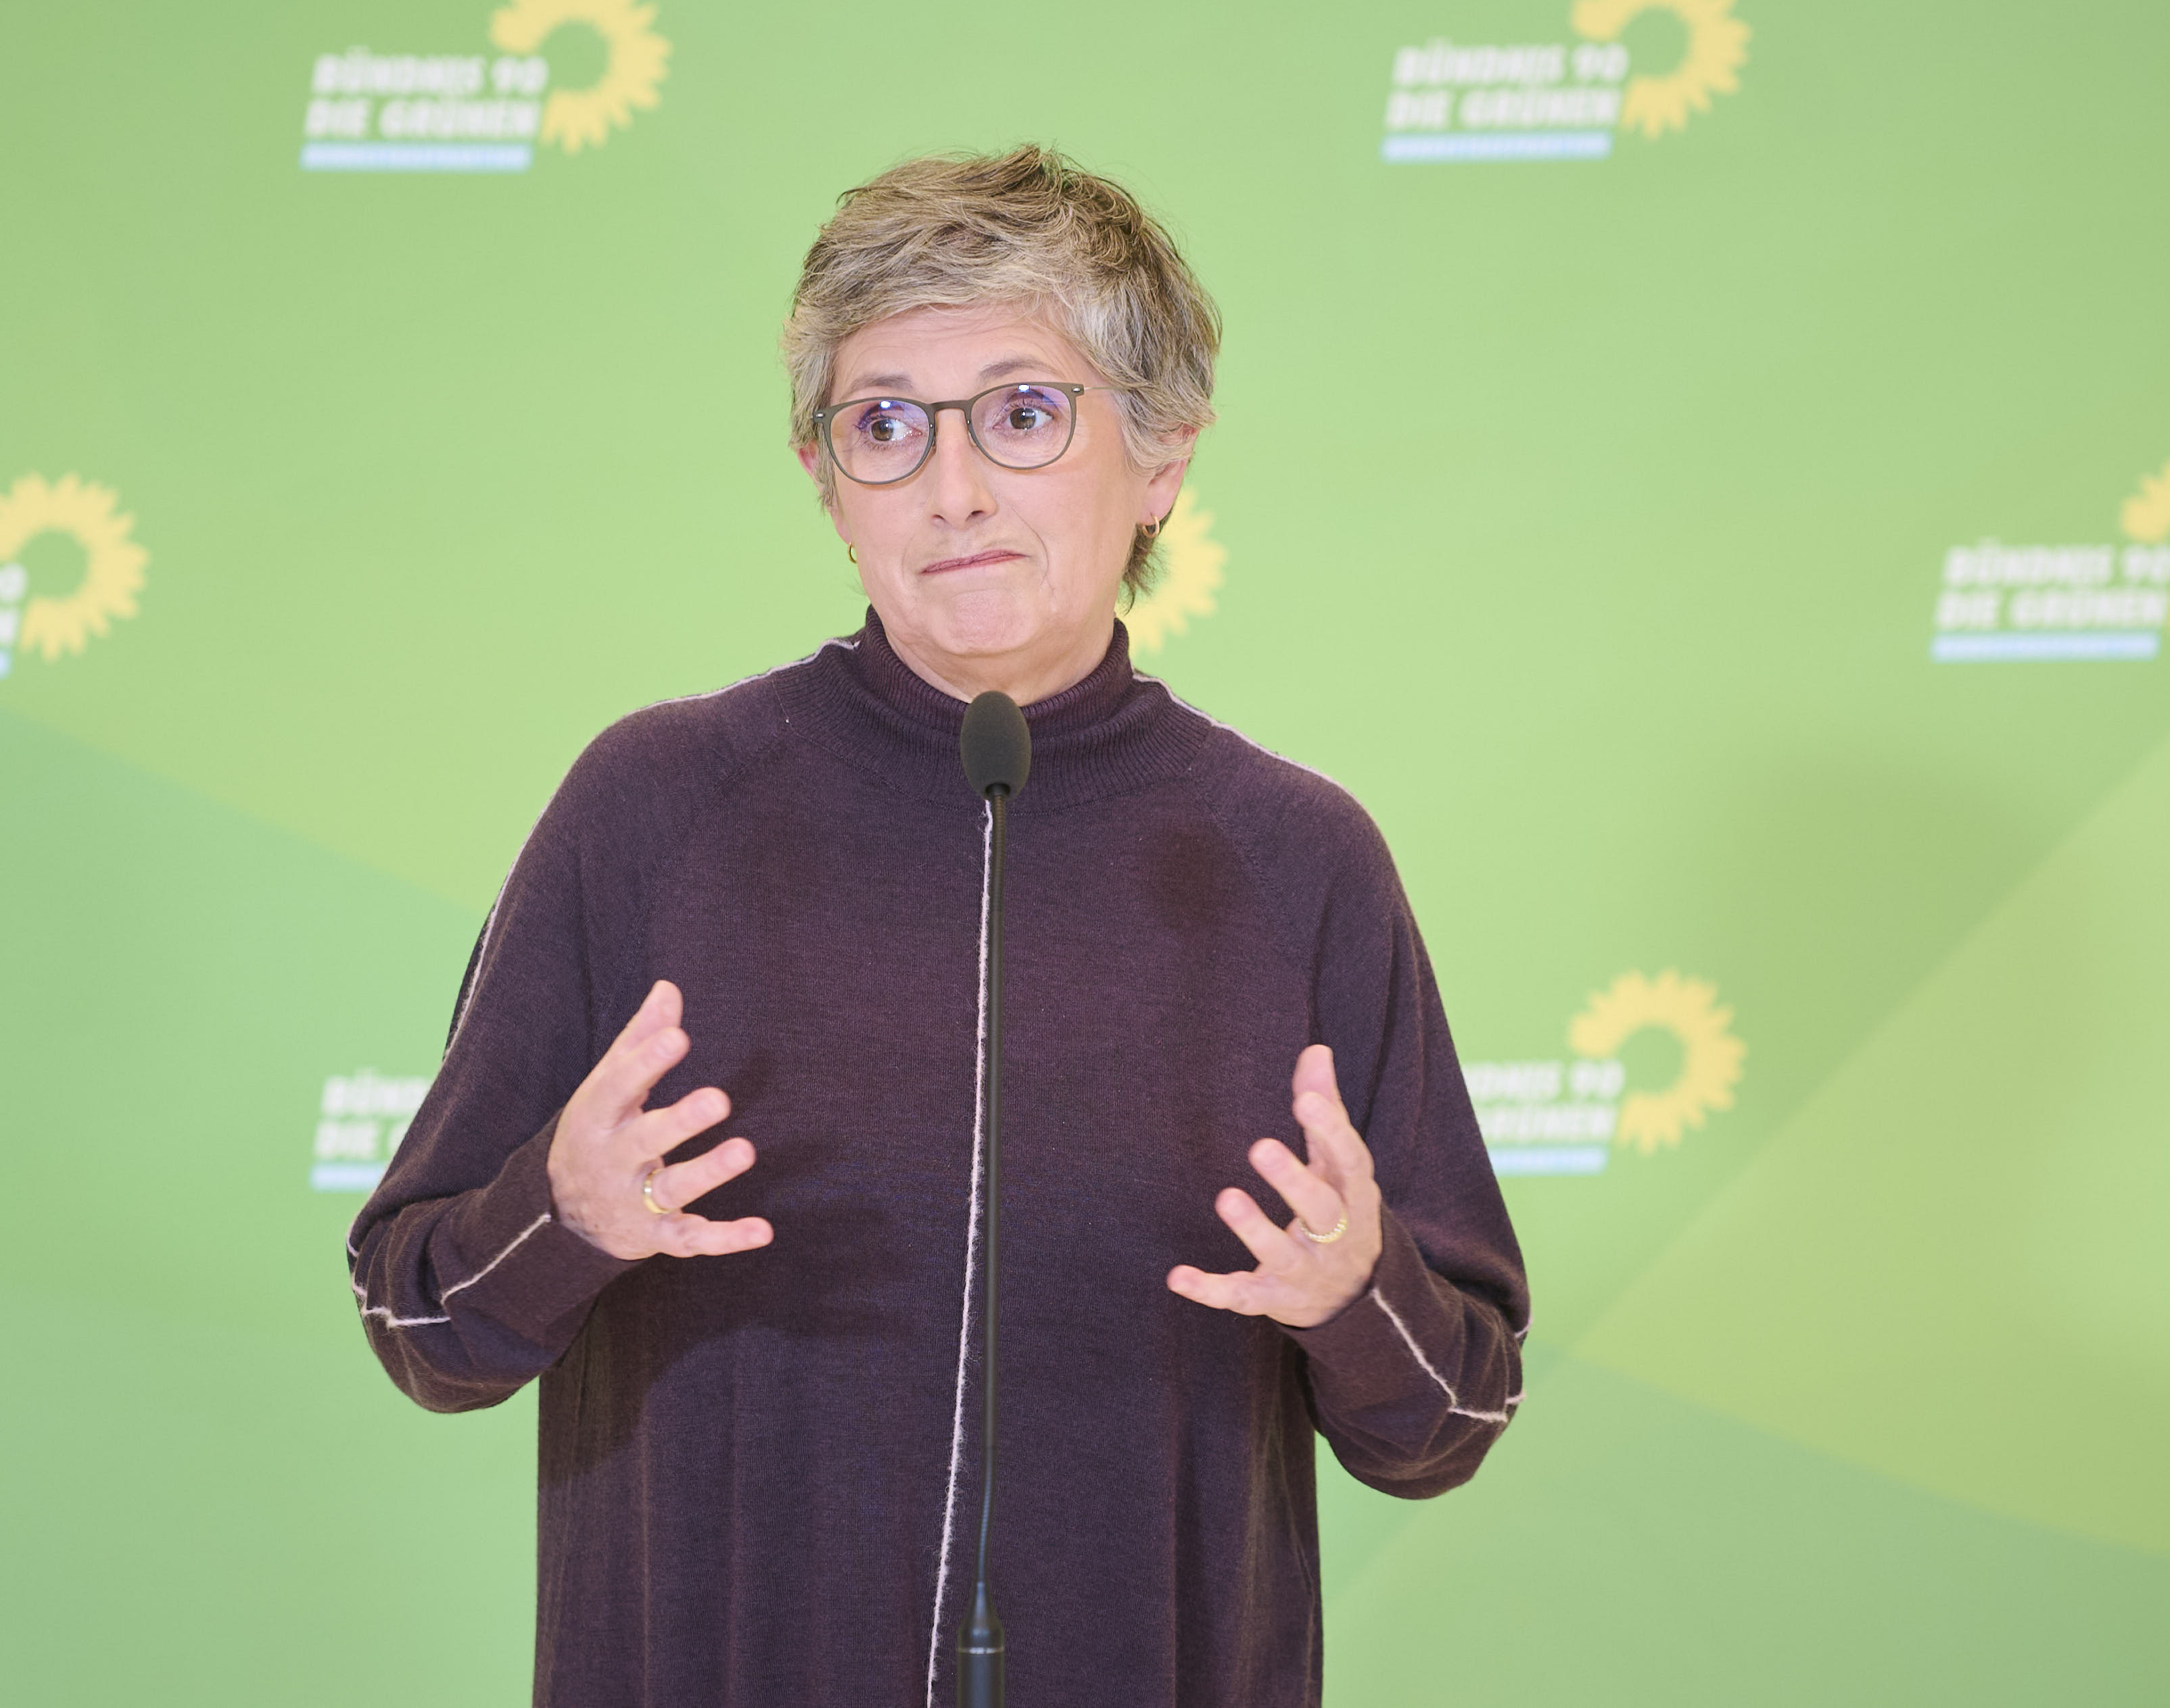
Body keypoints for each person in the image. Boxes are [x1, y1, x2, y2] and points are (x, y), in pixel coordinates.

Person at [348, 145, 1528, 1708]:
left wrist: (1357, 1295)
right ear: (828, 482)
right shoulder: (655, 805)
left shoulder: (1297, 859)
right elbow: (419, 1317)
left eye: (1023, 415)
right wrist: (559, 1216)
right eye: (886, 425)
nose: (953, 489)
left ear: (1162, 455)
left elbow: (1450, 1417)